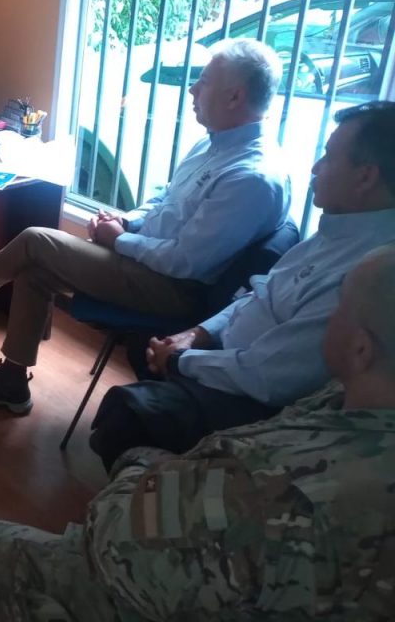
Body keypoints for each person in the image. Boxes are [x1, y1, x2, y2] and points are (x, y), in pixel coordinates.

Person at [0, 244, 395, 622]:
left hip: (155, 566)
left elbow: (118, 540)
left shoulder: (269, 480)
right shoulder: (338, 399)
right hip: (222, 537)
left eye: (340, 308)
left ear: (360, 349)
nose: (328, 317)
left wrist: (137, 472)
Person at [0, 38, 290, 414]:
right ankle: (11, 380)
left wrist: (120, 241)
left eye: (203, 81)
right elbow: (166, 198)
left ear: (235, 97)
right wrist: (127, 220)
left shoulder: (251, 178)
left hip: (174, 288)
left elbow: (185, 263)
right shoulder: (213, 144)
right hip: (148, 260)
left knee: (35, 241)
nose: (192, 89)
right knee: (34, 266)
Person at [89, 100, 395, 470]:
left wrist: (184, 360)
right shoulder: (337, 230)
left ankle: (149, 491)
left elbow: (271, 377)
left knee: (125, 414)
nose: (315, 168)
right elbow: (260, 292)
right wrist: (198, 334)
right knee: (144, 348)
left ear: (365, 177)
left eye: (328, 158)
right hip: (226, 355)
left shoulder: (369, 272)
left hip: (253, 399)